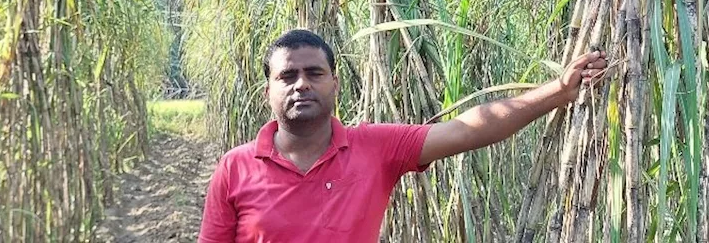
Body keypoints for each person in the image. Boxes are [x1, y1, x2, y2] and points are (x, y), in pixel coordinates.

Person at [197, 28, 608, 242]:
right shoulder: (235, 167)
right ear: (268, 89)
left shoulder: (375, 148)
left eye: (314, 73)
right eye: (286, 75)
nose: (300, 84)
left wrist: (557, 92)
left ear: (335, 84)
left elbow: (465, 130)